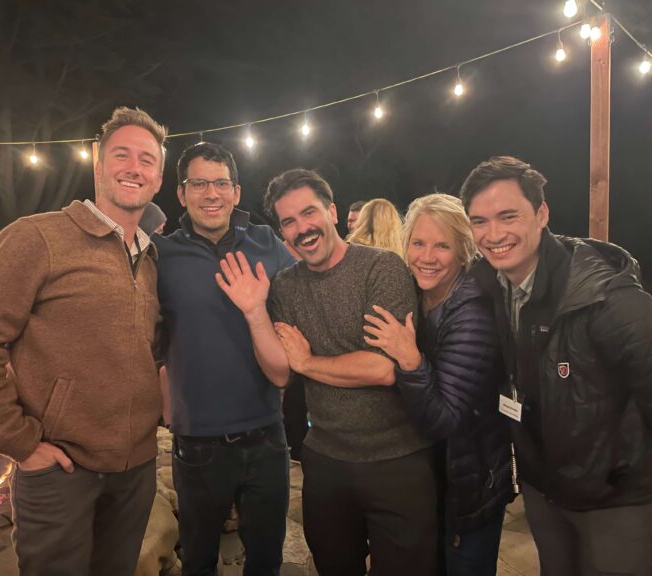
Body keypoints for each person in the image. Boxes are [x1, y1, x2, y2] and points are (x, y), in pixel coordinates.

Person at [0, 106, 165, 576]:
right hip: (60, 471)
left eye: (147, 160)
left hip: (135, 470)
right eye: (122, 154)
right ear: (97, 163)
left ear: (159, 177)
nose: (134, 168)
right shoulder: (37, 238)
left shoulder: (148, 259)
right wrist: (19, 443)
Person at [217, 168, 436, 576]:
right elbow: (281, 374)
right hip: (326, 464)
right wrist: (254, 313)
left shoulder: (381, 268)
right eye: (289, 222)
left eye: (309, 213)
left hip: (398, 461)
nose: (302, 228)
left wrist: (309, 363)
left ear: (332, 211)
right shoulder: (285, 287)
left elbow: (383, 367)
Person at [460, 155, 652, 576]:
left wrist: (621, 473)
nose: (494, 235)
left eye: (508, 216)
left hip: (615, 498)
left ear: (541, 213)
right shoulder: (486, 284)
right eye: (479, 221)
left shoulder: (604, 295)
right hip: (544, 487)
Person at [154, 142, 295, 576]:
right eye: (199, 183)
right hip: (197, 443)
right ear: (181, 193)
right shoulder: (160, 256)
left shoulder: (267, 243)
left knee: (267, 558)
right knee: (198, 560)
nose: (211, 193)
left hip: (267, 434)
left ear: (236, 192)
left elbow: (308, 297)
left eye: (221, 183)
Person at [362, 193, 513, 576]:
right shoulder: (413, 295)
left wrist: (408, 358)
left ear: (463, 251)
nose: (427, 257)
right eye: (418, 243)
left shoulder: (474, 311)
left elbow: (444, 418)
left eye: (442, 245)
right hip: (431, 481)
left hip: (471, 484)